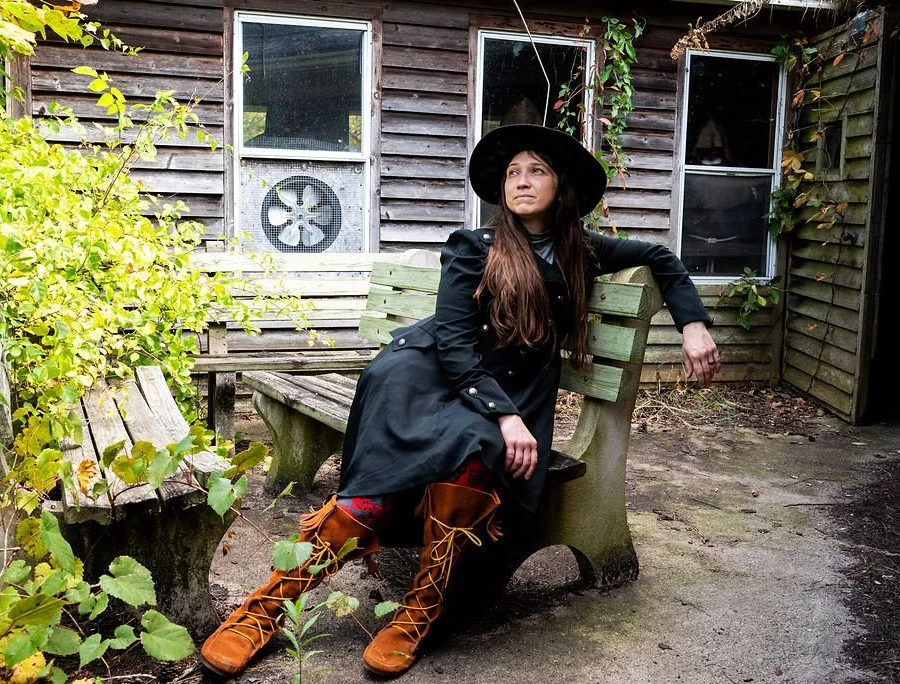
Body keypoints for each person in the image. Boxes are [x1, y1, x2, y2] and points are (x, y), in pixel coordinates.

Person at [199, 124, 721, 679]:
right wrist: (505, 414)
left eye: (536, 171)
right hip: (430, 378)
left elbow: (661, 256)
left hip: (511, 393)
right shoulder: (476, 246)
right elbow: (452, 343)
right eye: (512, 173)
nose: (521, 181)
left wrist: (693, 325)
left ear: (561, 186)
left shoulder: (582, 250)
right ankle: (266, 608)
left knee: (472, 451)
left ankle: (419, 613)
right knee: (391, 477)